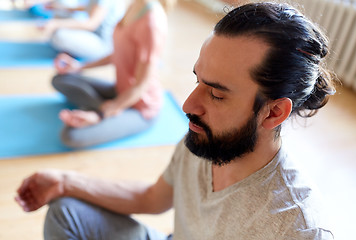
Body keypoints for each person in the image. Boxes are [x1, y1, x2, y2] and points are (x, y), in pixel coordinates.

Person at [15, 2, 336, 239]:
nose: (188, 105)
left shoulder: (297, 228)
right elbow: (153, 198)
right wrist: (65, 182)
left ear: (274, 112)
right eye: (198, 80)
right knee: (66, 211)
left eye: (217, 94)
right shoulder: (207, 135)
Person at [50, 0, 175, 148]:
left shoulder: (152, 22)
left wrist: (99, 115)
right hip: (121, 91)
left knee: (71, 135)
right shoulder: (135, 5)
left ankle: (104, 110)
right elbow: (118, 53)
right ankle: (106, 107)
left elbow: (141, 86)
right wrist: (80, 66)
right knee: (61, 80)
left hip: (141, 107)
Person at [39, 0, 128, 61]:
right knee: (60, 25)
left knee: (59, 34)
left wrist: (55, 23)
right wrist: (62, 8)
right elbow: (90, 8)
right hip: (93, 35)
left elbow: (91, 24)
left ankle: (72, 50)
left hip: (105, 46)